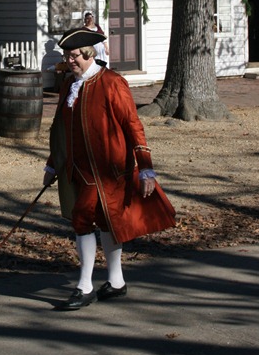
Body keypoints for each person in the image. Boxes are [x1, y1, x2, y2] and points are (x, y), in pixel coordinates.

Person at [44, 27, 175, 311]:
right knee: (104, 223)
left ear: (89, 54)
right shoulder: (69, 84)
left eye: (75, 55)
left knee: (82, 219)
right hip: (77, 170)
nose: (70, 60)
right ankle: (116, 282)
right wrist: (53, 163)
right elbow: (61, 128)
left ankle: (84, 286)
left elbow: (132, 124)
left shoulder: (112, 82)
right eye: (67, 55)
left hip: (108, 170)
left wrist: (147, 168)